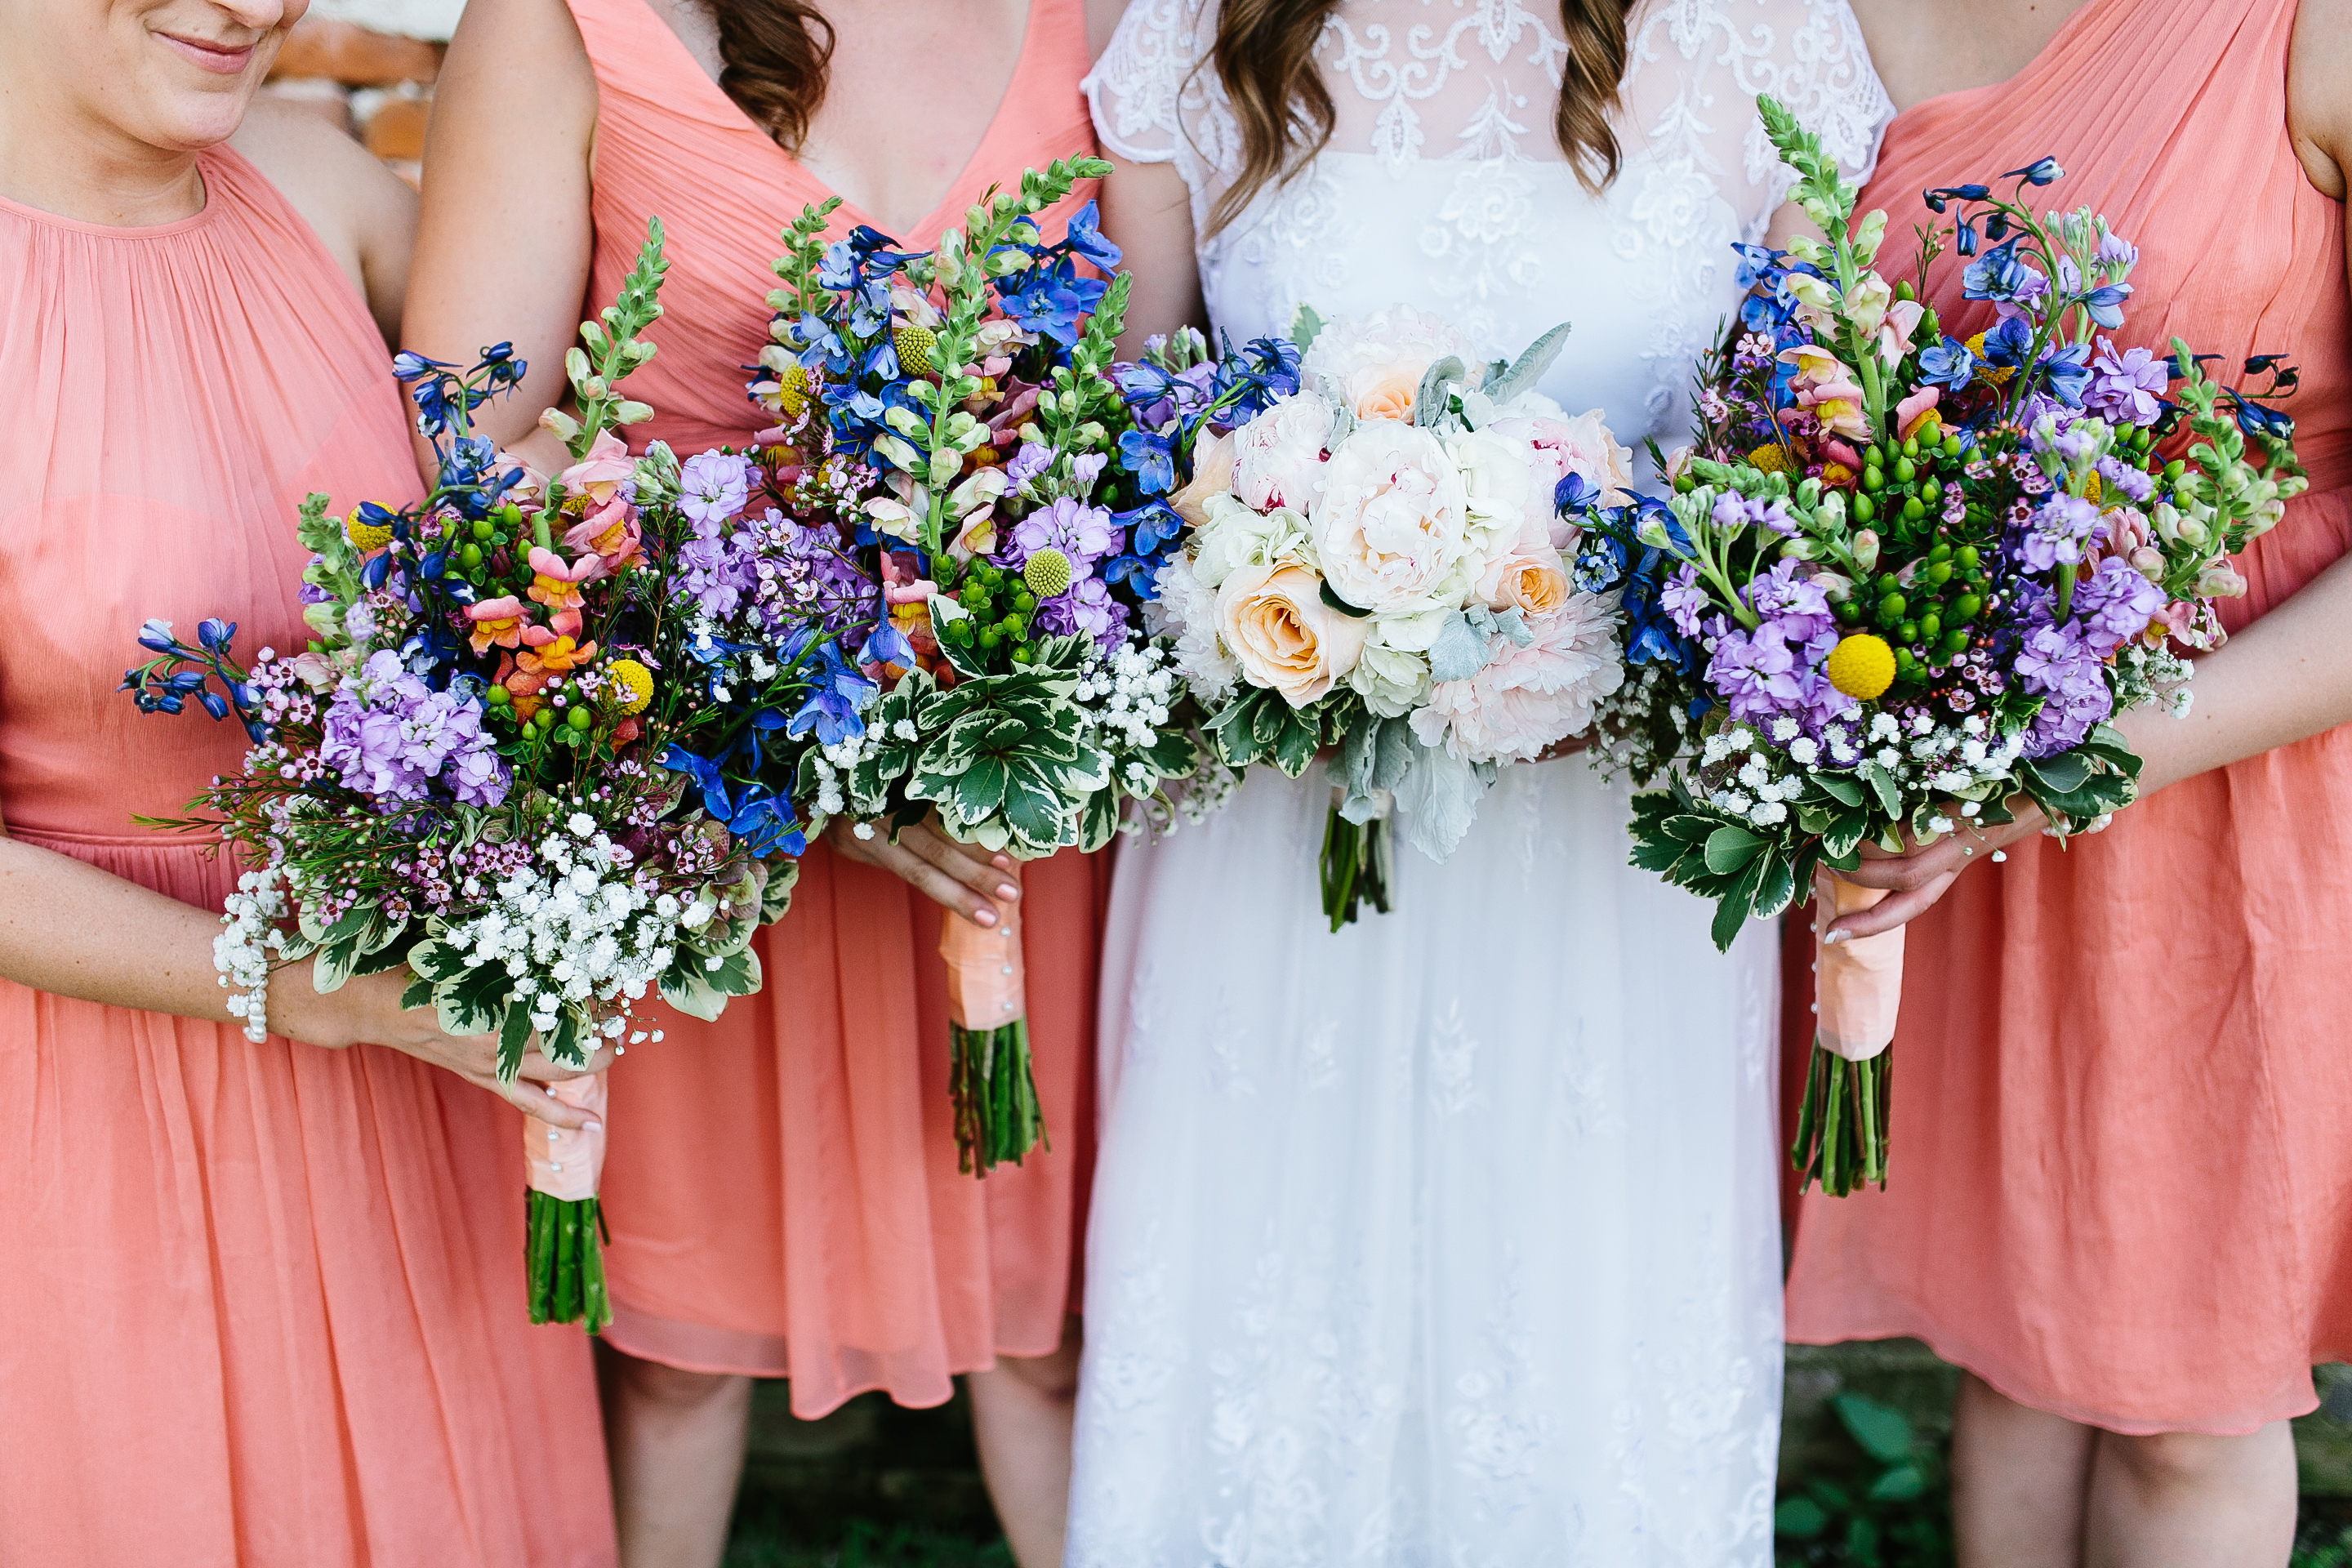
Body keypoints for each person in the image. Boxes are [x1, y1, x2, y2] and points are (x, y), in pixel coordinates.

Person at [1066, 1, 1892, 1560]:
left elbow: (1802, 467)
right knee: (1271, 1312)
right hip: (1280, 815)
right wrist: (1299, 582)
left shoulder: (1771, 36)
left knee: (1573, 1342)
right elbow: (1126, 448)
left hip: (1610, 852)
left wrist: (1598, 623)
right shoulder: (1198, 30)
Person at [405, 0, 1129, 1561]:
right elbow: (471, 448)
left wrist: (1000, 693)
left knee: (1056, 1340)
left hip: (1003, 812)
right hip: (704, 827)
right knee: (672, 1363)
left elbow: (1150, 406)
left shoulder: (1110, 15)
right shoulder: (564, 25)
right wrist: (787, 717)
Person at [0, 0, 619, 1562]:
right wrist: (310, 989)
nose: (255, 5)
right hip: (94, 1113)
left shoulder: (323, 191)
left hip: (411, 1076)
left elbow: (582, 480)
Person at [1784, 1, 2352, 1564]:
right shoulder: (1822, 21)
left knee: (2187, 1419)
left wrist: (2065, 768)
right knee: (2019, 1354)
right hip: (1944, 772)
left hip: (2237, 794)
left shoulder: (2312, 34)